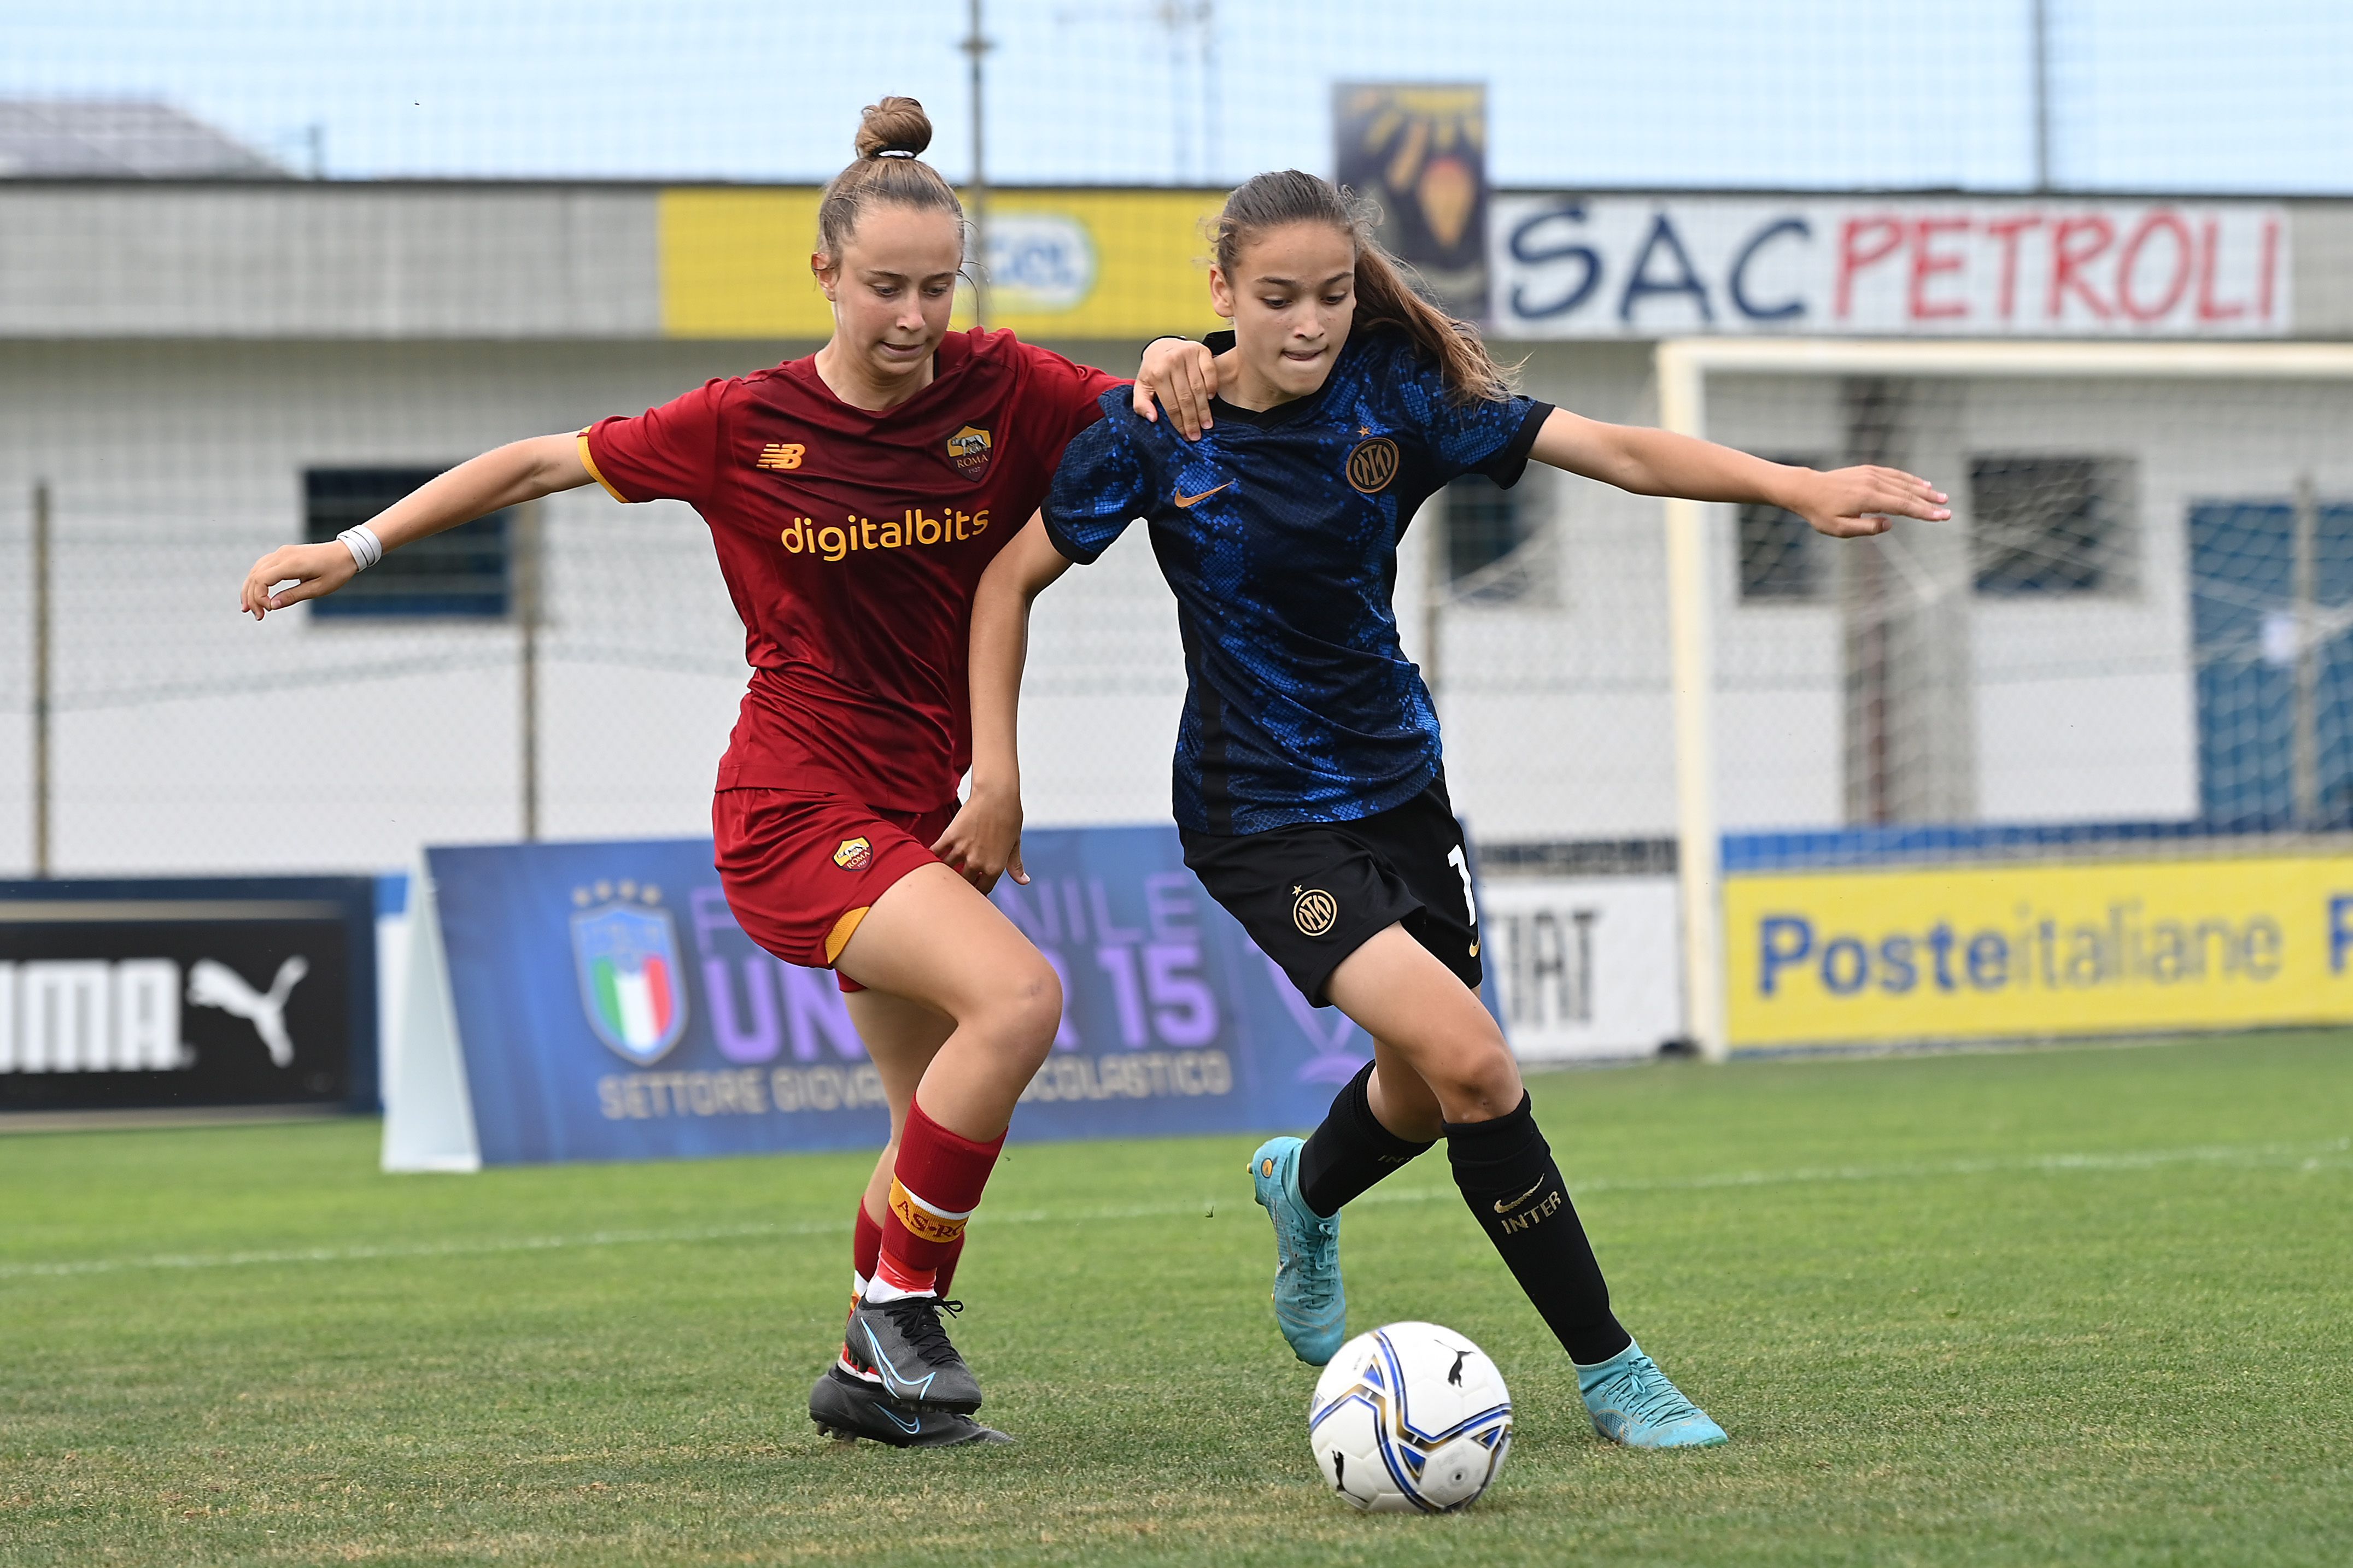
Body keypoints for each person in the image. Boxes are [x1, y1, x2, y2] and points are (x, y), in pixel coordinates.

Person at [237, 98, 1208, 1450]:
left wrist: (1171, 350)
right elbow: (538, 460)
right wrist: (356, 549)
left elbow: (1150, 406)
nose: (915, 316)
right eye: (884, 288)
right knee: (1022, 996)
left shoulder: (1007, 390)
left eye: (937, 286)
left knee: (916, 1119)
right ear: (824, 274)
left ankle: (867, 1384)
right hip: (794, 806)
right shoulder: (743, 422)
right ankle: (900, 1310)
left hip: (916, 812)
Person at [956, 169, 1950, 1450]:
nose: (1307, 323)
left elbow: (1621, 453)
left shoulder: (1399, 395)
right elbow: (1004, 583)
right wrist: (999, 774)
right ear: (1220, 294)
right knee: (1477, 1064)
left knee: (1424, 1091)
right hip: (1257, 818)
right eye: (1274, 299)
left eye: (1329, 294)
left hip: (1402, 793)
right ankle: (1614, 1370)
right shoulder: (1156, 426)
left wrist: (1794, 486)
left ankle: (1302, 1190)